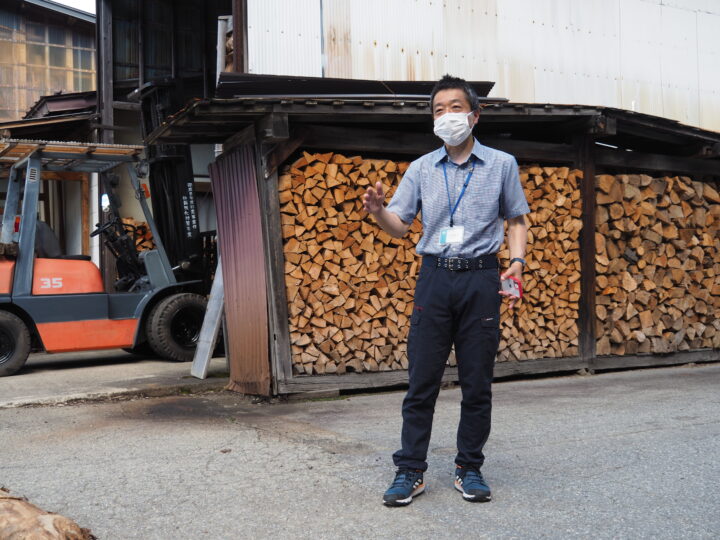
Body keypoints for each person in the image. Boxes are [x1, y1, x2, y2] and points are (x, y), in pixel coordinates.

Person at [363, 75, 530, 506]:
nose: (447, 116)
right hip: (435, 277)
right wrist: (379, 211)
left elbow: (515, 220)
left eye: (456, 108)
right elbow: (399, 228)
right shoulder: (421, 169)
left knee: (477, 382)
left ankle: (469, 468)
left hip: (481, 278)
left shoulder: (502, 165)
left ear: (474, 115)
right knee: (422, 380)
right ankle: (409, 470)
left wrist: (515, 263)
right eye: (439, 110)